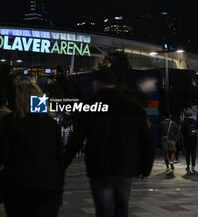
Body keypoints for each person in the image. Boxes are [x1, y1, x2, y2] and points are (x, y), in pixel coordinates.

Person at [64, 68, 155, 217]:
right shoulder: (132, 108)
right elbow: (146, 140)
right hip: (125, 168)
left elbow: (76, 140)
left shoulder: (89, 107)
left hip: (99, 168)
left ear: (98, 84)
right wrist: (146, 168)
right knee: (121, 210)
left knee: (103, 211)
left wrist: (63, 165)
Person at [0, 82, 64, 217]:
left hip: (18, 188)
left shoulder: (10, 122)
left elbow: (2, 156)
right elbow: (58, 160)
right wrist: (59, 190)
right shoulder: (50, 124)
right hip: (48, 189)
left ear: (21, 99)